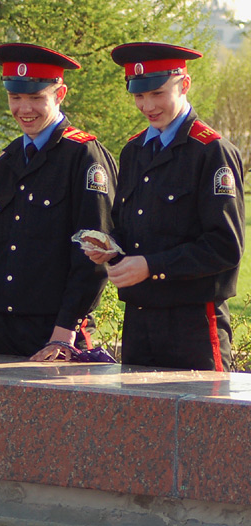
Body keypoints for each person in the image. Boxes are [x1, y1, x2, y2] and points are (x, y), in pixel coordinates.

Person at [0, 43, 117, 360]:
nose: (24, 108)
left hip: (61, 333)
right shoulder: (6, 162)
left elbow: (94, 255)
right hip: (6, 329)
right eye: (15, 97)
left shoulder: (84, 157)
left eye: (36, 98)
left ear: (60, 94)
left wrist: (66, 329)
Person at [86, 41, 245, 371]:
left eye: (157, 93)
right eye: (139, 96)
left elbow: (225, 247)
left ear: (184, 84)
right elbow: (130, 227)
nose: (147, 105)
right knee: (137, 422)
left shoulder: (211, 151)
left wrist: (151, 266)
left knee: (202, 421)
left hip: (193, 325)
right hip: (140, 320)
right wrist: (111, 248)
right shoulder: (134, 151)